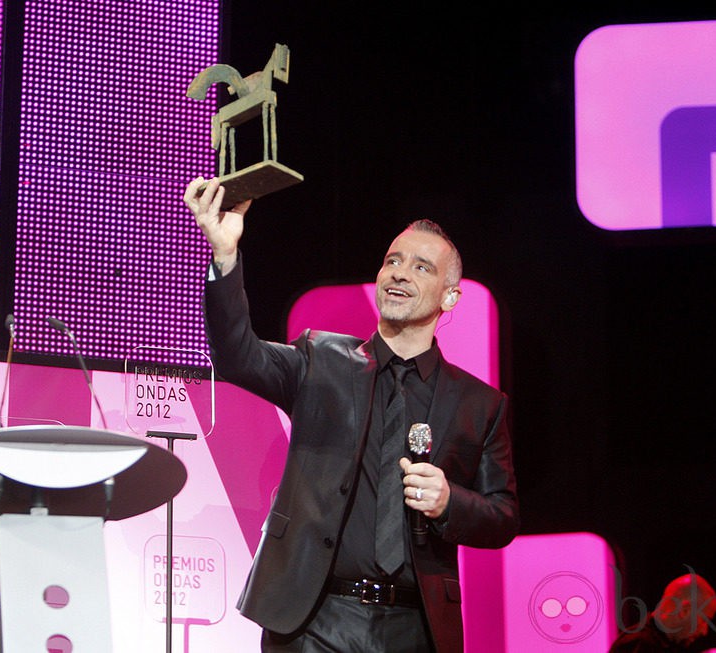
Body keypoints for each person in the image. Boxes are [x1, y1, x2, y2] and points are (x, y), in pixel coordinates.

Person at [185, 177, 519, 652]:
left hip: (414, 627)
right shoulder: (320, 359)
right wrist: (224, 255)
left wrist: (450, 502)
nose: (400, 273)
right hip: (313, 619)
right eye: (393, 261)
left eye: (421, 267)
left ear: (450, 297)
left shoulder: (479, 404)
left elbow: (502, 516)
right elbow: (238, 355)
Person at [609, 572, 716, 653]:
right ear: (684, 611)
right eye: (704, 620)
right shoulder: (640, 645)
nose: (704, 631)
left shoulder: (657, 644)